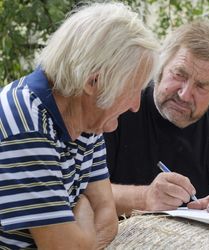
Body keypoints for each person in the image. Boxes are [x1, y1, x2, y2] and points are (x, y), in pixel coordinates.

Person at [0, 2, 158, 249]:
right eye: (132, 89)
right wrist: (83, 209)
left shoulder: (85, 121)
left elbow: (108, 220)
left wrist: (79, 233)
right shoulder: (25, 124)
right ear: (93, 82)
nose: (136, 105)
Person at [104, 20, 209, 217]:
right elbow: (82, 193)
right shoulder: (119, 108)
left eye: (201, 86)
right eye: (179, 74)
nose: (184, 94)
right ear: (160, 67)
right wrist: (144, 198)